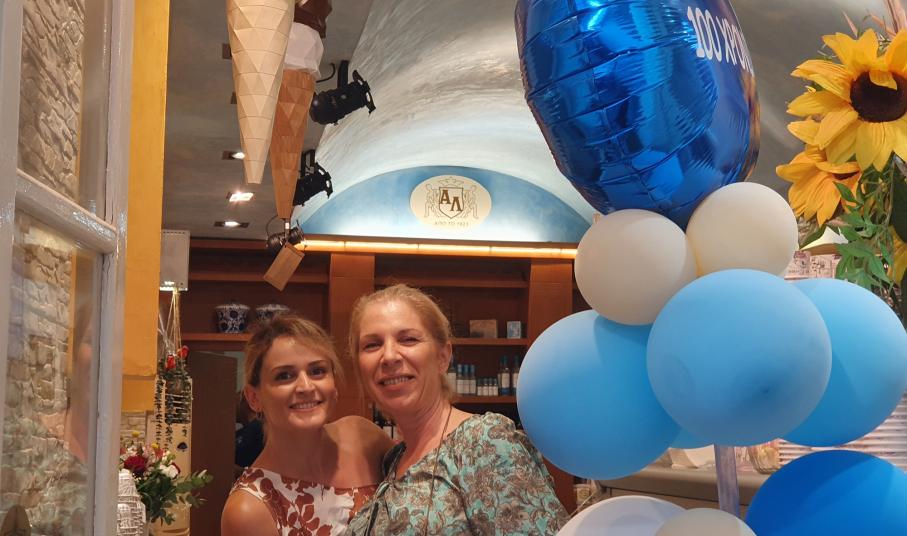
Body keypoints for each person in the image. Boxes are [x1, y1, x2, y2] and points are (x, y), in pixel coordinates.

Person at [343, 284, 568, 535]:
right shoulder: (393, 460)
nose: (389, 356)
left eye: (408, 339)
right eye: (372, 345)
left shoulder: (483, 442)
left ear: (443, 357)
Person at [222, 315, 395, 536]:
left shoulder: (365, 437)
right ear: (254, 398)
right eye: (284, 375)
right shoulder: (248, 510)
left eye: (317, 371)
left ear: (333, 386)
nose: (306, 386)